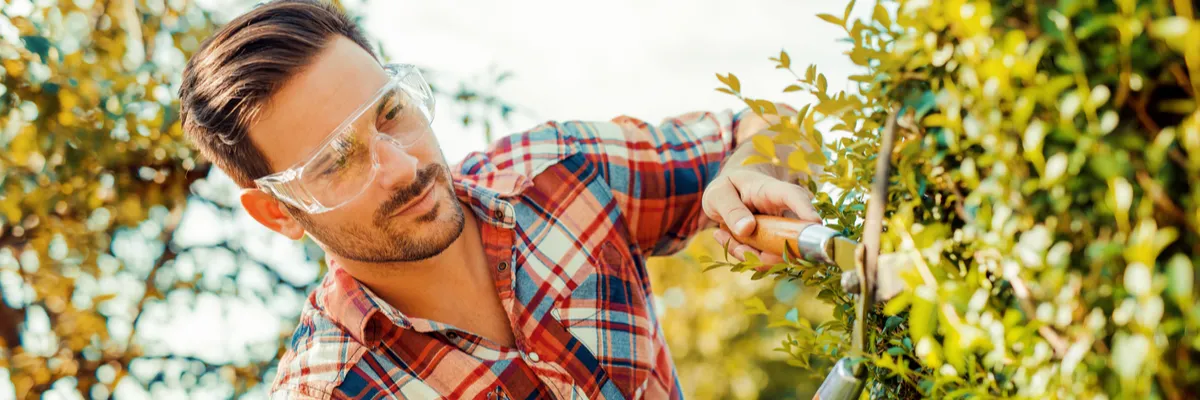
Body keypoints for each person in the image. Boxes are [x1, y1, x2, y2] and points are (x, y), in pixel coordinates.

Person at [178, 1, 821, 398]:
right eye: (336, 161)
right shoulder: (335, 391)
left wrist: (758, 167)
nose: (402, 167)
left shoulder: (561, 173)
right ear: (275, 212)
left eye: (391, 112)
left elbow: (769, 126)